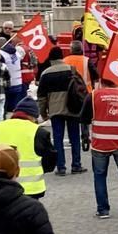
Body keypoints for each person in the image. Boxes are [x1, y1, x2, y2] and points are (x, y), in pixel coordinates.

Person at [80, 77, 118, 219]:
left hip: (100, 143)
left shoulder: (93, 96)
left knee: (100, 176)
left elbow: (83, 119)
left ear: (101, 81)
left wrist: (85, 136)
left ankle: (103, 210)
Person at [0, 99, 57, 199]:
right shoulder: (38, 132)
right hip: (31, 189)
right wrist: (40, 170)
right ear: (32, 116)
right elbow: (50, 159)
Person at [36, 48, 86, 177]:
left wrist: (43, 113)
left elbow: (41, 97)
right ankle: (76, 165)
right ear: (62, 57)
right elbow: (82, 89)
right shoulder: (72, 69)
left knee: (57, 138)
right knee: (74, 137)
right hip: (73, 107)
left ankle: (61, 166)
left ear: (51, 59)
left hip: (55, 110)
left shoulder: (46, 73)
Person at [0, 35, 27, 113]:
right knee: (15, 108)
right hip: (18, 83)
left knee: (3, 110)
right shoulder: (16, 52)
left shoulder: (0, 54)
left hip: (7, 85)